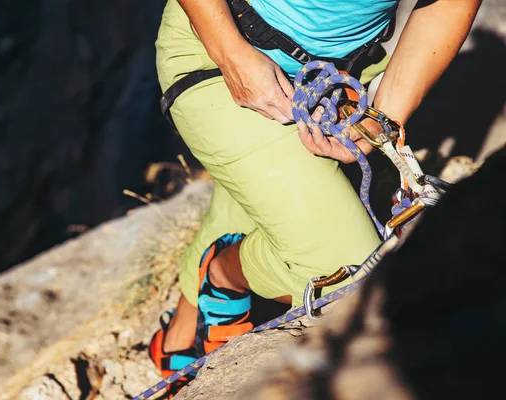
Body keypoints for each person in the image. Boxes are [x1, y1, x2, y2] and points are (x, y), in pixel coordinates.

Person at [148, 0, 481, 394]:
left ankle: (207, 292)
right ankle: (220, 279)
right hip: (218, 50)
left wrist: (384, 117)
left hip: (337, 72)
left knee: (258, 194)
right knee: (348, 270)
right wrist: (230, 52)